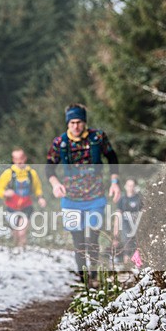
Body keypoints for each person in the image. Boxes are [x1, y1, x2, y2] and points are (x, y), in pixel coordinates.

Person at [45, 103, 120, 283]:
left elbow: (112, 158)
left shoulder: (98, 137)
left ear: (84, 122)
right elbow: (49, 168)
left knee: (93, 237)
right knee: (78, 240)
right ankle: (83, 278)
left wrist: (115, 182)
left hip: (96, 197)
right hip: (70, 199)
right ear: (67, 124)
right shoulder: (60, 143)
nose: (76, 126)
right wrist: (55, 184)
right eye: (72, 123)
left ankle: (93, 275)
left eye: (79, 122)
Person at [0, 147, 46, 248]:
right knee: (16, 233)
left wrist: (40, 198)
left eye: (21, 158)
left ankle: (23, 251)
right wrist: (5, 193)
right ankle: (16, 251)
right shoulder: (8, 173)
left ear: (25, 158)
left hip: (26, 207)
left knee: (22, 232)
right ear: (13, 160)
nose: (19, 161)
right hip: (11, 208)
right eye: (16, 159)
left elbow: (37, 188)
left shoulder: (31, 173)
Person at [114, 178, 143, 265]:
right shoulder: (122, 199)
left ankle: (137, 266)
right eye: (129, 185)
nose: (130, 187)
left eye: (132, 185)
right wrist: (115, 235)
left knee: (138, 247)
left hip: (138, 226)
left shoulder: (139, 198)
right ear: (125, 186)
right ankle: (127, 267)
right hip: (126, 226)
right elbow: (117, 217)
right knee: (127, 247)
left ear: (135, 186)